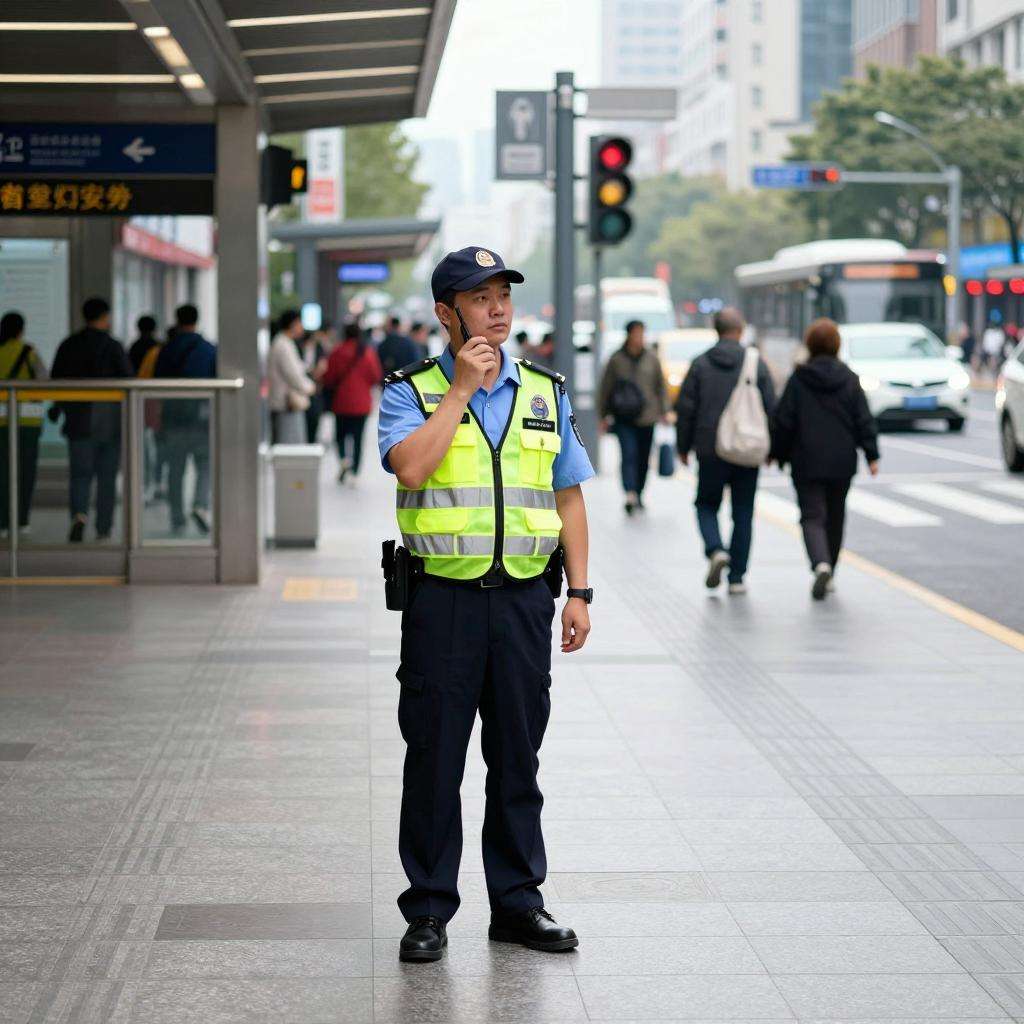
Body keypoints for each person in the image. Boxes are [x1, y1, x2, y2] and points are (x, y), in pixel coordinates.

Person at [378, 246, 594, 964]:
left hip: (526, 601)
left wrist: (581, 593)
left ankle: (519, 905)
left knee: (516, 759)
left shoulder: (544, 388)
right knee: (435, 759)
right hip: (442, 601)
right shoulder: (409, 390)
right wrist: (461, 393)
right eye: (479, 297)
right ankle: (429, 911)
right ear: (446, 314)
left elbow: (568, 493)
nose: (497, 307)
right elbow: (410, 466)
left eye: (503, 293)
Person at [771, 318, 879, 599]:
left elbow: (784, 421)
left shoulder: (799, 379)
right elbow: (863, 419)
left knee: (812, 515)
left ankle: (820, 563)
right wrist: (871, 454)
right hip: (842, 460)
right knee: (835, 515)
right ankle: (830, 568)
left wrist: (776, 453)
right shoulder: (850, 378)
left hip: (806, 459)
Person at [675, 307, 776, 594]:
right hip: (748, 448)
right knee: (743, 511)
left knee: (706, 504)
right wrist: (773, 448)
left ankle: (715, 549)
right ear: (741, 329)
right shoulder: (756, 363)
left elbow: (686, 409)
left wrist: (684, 447)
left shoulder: (701, 363)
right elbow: (772, 407)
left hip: (710, 449)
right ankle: (737, 578)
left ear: (716, 330)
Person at [51, 297, 132, 543]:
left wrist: (61, 407)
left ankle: (79, 515)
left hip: (78, 420)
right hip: (109, 421)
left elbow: (56, 380)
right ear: (105, 317)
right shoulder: (113, 346)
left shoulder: (69, 344)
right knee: (107, 477)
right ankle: (104, 527)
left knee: (80, 474)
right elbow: (129, 378)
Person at [154, 304, 217, 535]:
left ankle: (177, 517)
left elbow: (156, 384)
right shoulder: (208, 349)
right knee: (204, 465)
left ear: (177, 320)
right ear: (196, 320)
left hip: (173, 419)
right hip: (202, 419)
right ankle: (200, 505)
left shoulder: (167, 349)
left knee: (175, 470)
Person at [597, 319, 669, 514]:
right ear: (628, 334)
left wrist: (665, 411)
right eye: (636, 333)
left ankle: (638, 492)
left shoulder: (652, 358)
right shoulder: (616, 359)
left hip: (647, 417)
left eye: (642, 333)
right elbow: (606, 388)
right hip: (623, 417)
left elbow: (660, 386)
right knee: (628, 454)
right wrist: (603, 415)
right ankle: (629, 492)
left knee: (643, 458)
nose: (639, 337)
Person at [0, 312, 48, 537]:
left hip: (0, 420)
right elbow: (44, 382)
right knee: (25, 472)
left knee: (1, 471)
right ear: (21, 329)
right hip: (28, 419)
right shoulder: (29, 352)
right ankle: (21, 520)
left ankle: (1, 523)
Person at [323, 322, 383, 483]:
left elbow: (328, 378)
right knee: (358, 439)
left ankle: (344, 459)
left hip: (341, 402)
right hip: (361, 404)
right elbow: (376, 377)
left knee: (340, 436)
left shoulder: (336, 352)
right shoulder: (367, 353)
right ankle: (355, 473)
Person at [268, 310, 316, 444]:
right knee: (289, 446)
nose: (302, 327)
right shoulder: (283, 344)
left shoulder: (283, 342)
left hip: (286, 403)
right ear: (293, 324)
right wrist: (310, 387)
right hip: (286, 404)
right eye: (300, 323)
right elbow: (294, 375)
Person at [297, 324, 329, 444]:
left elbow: (323, 365)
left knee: (314, 416)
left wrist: (316, 374)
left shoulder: (319, 348)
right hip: (301, 386)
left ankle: (311, 440)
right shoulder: (298, 347)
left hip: (315, 387)